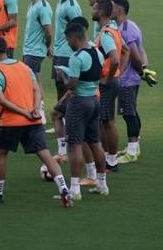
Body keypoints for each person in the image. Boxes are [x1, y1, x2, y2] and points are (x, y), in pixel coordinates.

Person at [0, 36, 72, 207]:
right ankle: (64, 189)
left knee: (1, 154)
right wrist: (36, 109)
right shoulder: (24, 66)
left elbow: (2, 100)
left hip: (11, 122)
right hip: (33, 120)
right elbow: (36, 89)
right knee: (44, 153)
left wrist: (23, 112)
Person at [54, 18, 109, 200]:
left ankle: (75, 189)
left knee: (75, 145)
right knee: (95, 143)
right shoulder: (97, 53)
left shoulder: (76, 58)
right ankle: (102, 184)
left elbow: (73, 85)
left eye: (68, 40)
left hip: (79, 103)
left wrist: (63, 77)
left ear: (73, 37)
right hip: (94, 100)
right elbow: (98, 76)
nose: (68, 43)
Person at [112, 0, 150, 164]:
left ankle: (132, 151)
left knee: (128, 114)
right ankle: (134, 147)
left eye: (112, 7)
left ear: (119, 10)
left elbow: (135, 55)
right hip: (132, 78)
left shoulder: (125, 30)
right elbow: (142, 52)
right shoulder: (130, 25)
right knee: (132, 111)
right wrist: (145, 69)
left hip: (127, 79)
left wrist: (141, 72)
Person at [93, 0, 127, 173]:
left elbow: (114, 58)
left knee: (107, 122)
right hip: (112, 80)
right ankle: (109, 159)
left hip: (108, 82)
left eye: (94, 8)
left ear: (101, 12)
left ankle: (111, 162)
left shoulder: (106, 34)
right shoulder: (112, 30)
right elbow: (125, 51)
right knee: (106, 121)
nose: (92, 10)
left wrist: (110, 76)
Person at [50, 0, 82, 159]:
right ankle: (61, 120)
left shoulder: (71, 6)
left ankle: (68, 126)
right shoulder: (61, 2)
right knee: (59, 88)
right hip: (59, 51)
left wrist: (74, 51)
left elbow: (78, 28)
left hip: (66, 54)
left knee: (65, 89)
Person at [19, 0, 54, 78]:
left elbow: (48, 32)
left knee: (27, 80)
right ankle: (40, 95)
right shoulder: (32, 5)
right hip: (30, 50)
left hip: (35, 52)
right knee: (35, 79)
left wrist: (47, 46)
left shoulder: (42, 7)